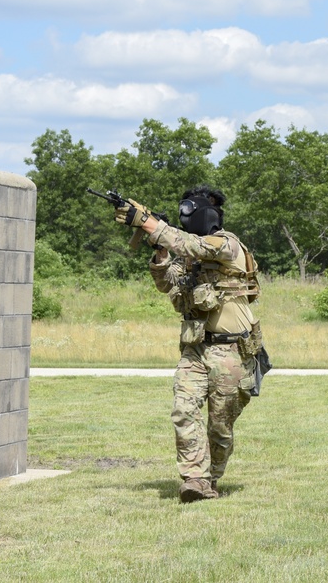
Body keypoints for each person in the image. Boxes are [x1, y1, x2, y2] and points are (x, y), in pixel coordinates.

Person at [113, 185, 264, 503]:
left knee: (220, 428)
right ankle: (195, 479)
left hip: (232, 351)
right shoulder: (191, 257)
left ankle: (212, 478)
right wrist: (160, 251)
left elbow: (192, 245)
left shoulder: (226, 244)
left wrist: (150, 224)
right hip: (195, 349)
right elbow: (165, 282)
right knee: (184, 410)